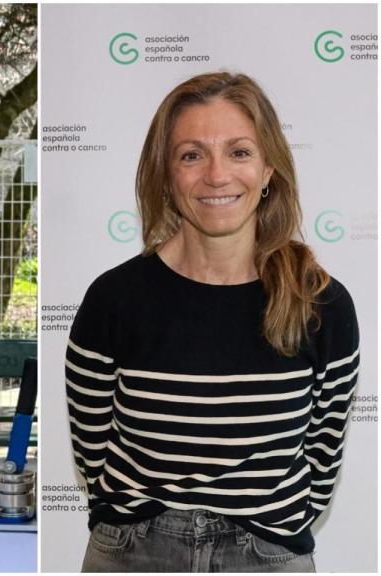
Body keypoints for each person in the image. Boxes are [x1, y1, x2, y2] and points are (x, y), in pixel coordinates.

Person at [66, 72, 359, 572]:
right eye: (192, 154)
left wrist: (274, 529)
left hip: (267, 555)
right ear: (165, 172)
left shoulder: (321, 304)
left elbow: (324, 450)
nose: (217, 175)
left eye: (240, 152)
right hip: (134, 554)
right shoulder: (113, 299)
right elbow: (92, 447)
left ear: (269, 169)